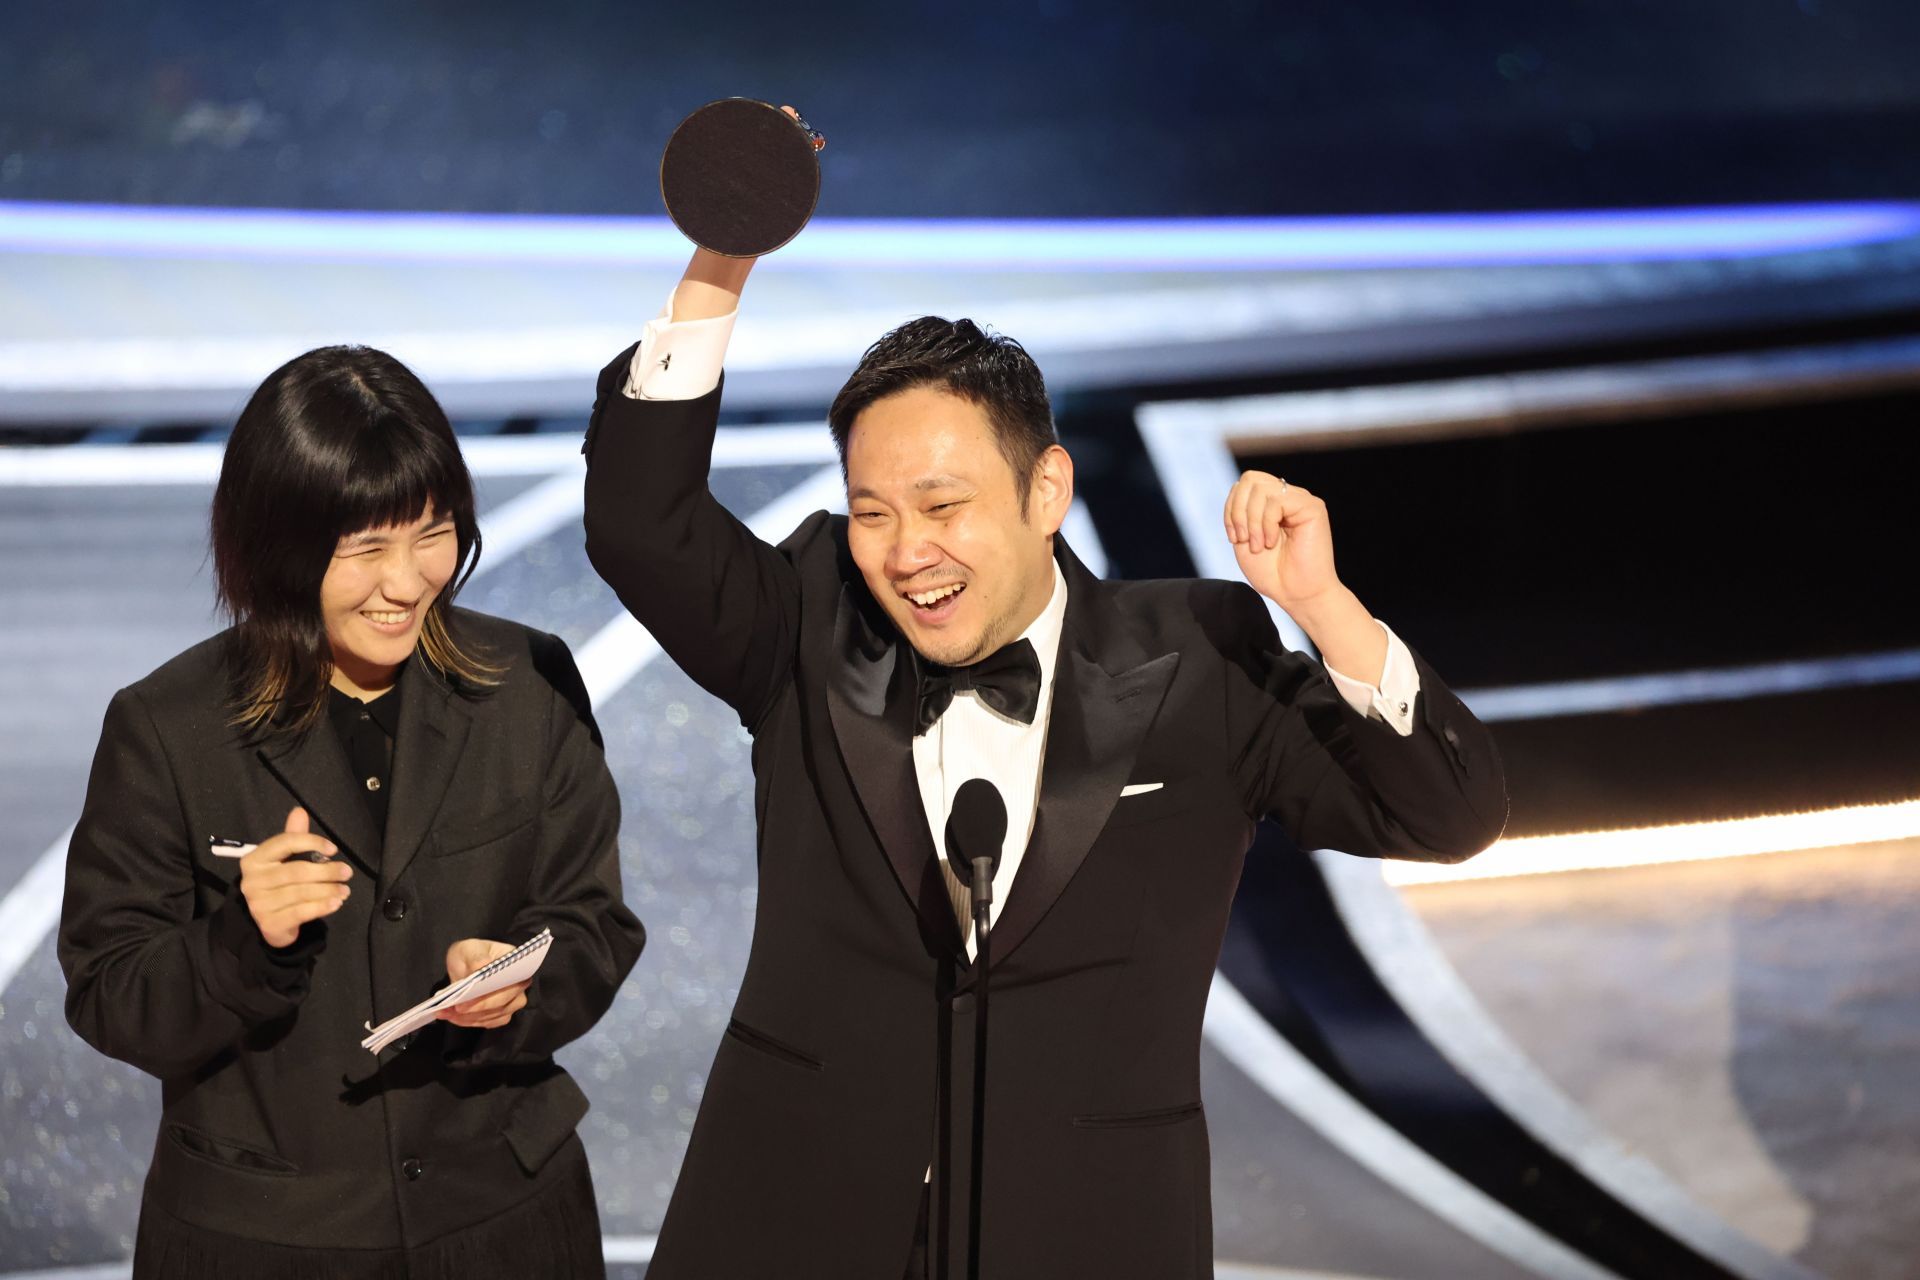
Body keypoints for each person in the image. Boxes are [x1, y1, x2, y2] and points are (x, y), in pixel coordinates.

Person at [581, 240, 1507, 1279]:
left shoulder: (1199, 653)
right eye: (873, 513)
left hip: (1088, 1229)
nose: (904, 552)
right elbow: (636, 524)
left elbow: (1447, 813)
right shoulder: (810, 612)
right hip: (794, 1215)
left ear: (1047, 487)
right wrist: (722, 262)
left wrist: (1328, 613)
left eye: (942, 507)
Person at [59, 346, 645, 1279]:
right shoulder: (166, 727)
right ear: (276, 544)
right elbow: (107, 993)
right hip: (264, 1243)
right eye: (366, 547)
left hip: (503, 1222)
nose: (409, 581)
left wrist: (517, 983)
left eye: (433, 532)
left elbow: (594, 925)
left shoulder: (528, 682)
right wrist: (240, 943)